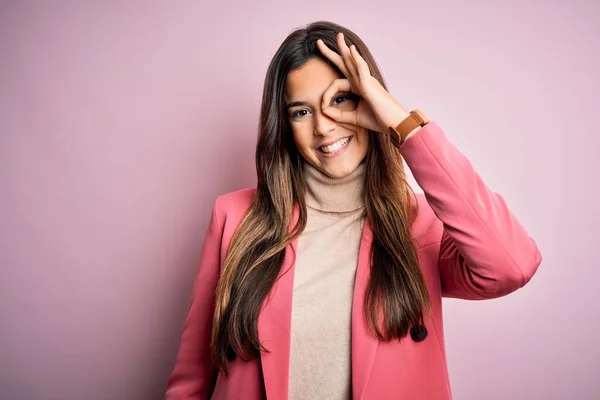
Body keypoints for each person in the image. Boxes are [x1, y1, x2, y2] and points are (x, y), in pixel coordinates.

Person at [165, 20, 542, 400]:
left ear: (369, 97)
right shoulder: (234, 217)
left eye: (340, 99)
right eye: (301, 112)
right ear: (284, 126)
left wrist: (401, 124)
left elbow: (512, 265)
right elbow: (191, 381)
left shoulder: (418, 226)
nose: (324, 128)